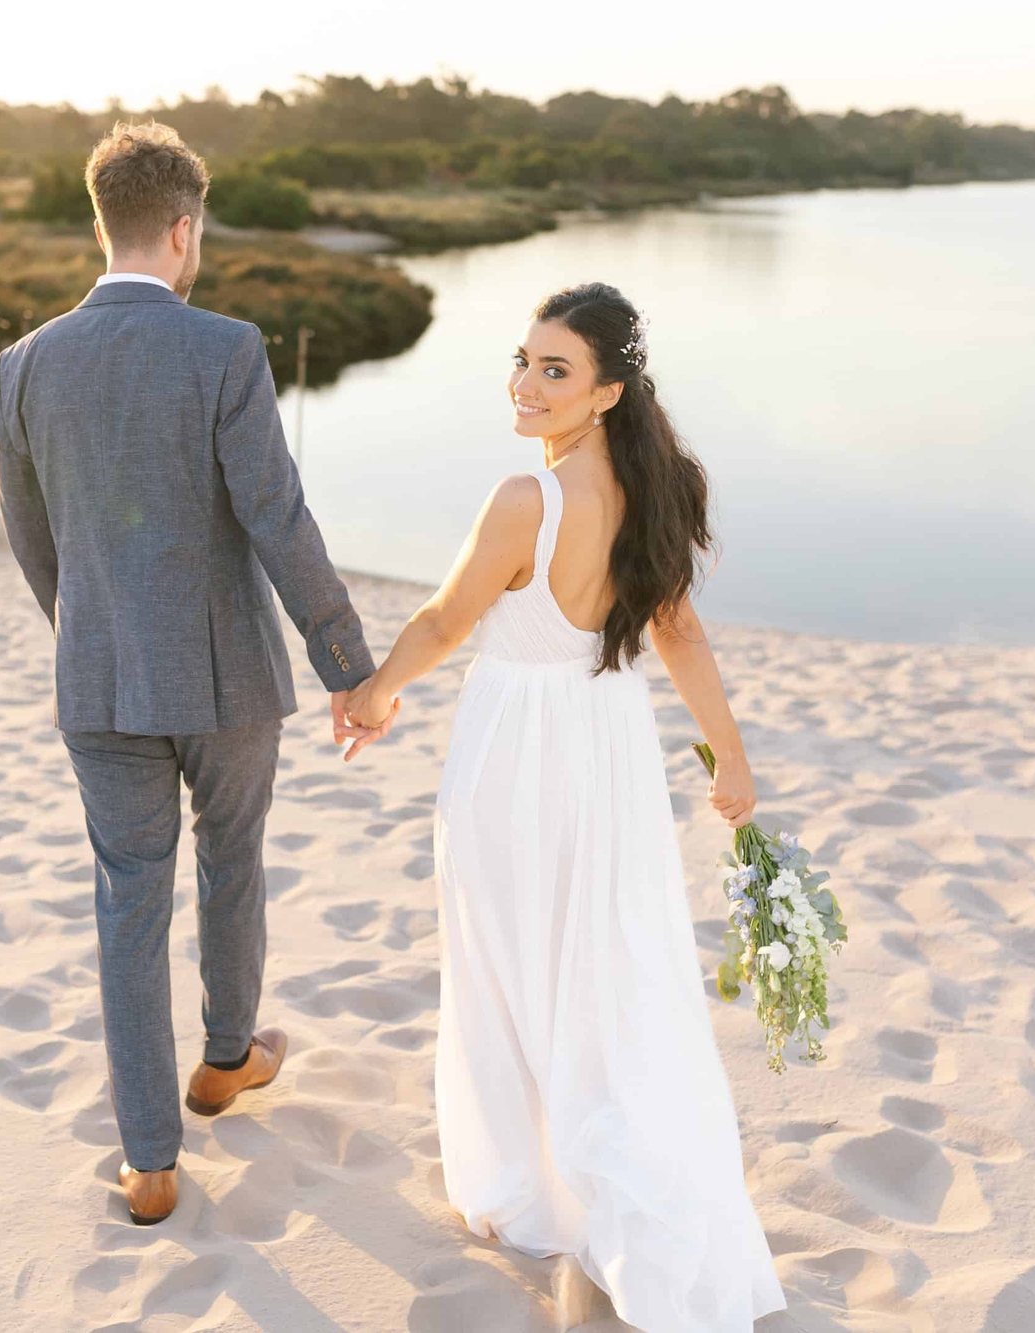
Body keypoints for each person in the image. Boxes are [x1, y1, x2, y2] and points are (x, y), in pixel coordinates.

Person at [345, 283, 788, 1329]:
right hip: (608, 753)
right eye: (522, 360)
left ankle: (532, 1189)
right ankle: (581, 1176)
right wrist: (729, 755)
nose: (526, 384)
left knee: (507, 962)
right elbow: (676, 634)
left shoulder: (524, 502)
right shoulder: (650, 492)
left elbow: (447, 617)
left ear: (606, 392)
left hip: (513, 752)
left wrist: (373, 693)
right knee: (598, 965)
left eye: (555, 371)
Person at [0, 121, 392, 1229]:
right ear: (183, 229)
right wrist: (348, 666)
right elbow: (278, 518)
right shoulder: (224, 349)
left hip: (99, 678)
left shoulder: (21, 366)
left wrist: (87, 633)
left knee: (127, 900)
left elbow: (31, 541)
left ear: (102, 222)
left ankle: (148, 1161)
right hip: (224, 683)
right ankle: (224, 1061)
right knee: (232, 861)